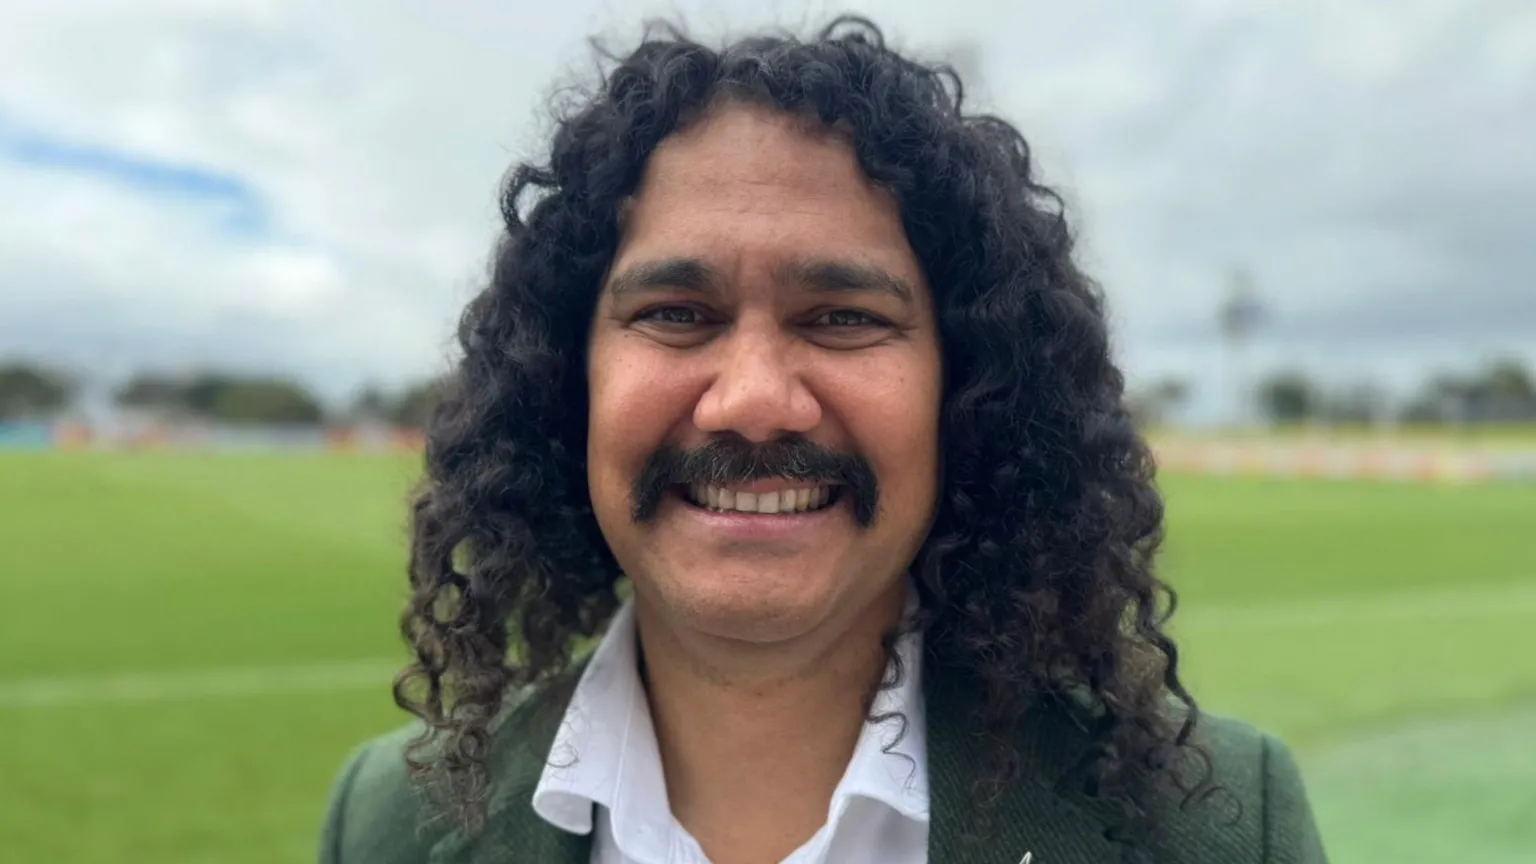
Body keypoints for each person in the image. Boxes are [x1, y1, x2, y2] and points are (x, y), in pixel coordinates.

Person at [319, 16, 1327, 864]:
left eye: (843, 318)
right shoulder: (385, 826)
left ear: (965, 389)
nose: (753, 402)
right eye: (676, 312)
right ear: (565, 383)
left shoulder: (1218, 826)